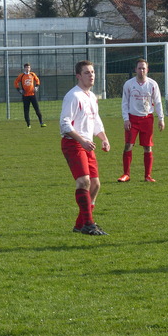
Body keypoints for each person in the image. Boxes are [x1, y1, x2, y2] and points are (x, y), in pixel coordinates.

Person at [60, 60, 111, 235]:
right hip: (73, 143)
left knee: (95, 184)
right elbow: (64, 124)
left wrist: (104, 139)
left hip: (87, 144)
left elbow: (96, 121)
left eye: (92, 72)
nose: (91, 75)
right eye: (87, 73)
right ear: (78, 76)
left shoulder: (91, 96)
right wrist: (81, 140)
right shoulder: (73, 96)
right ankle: (89, 224)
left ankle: (80, 224)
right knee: (83, 181)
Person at [117, 59, 165, 183]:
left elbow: (158, 102)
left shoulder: (153, 84)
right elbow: (124, 103)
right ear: (135, 70)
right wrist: (126, 119)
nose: (141, 70)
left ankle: (147, 176)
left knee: (147, 147)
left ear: (147, 70)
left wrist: (161, 118)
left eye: (144, 68)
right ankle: (126, 174)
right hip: (132, 119)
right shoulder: (128, 84)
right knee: (128, 145)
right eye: (139, 68)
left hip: (147, 119)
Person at [14, 63, 46, 128]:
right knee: (26, 110)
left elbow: (37, 80)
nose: (27, 69)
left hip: (32, 95)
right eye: (26, 67)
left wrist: (36, 87)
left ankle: (41, 122)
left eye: (28, 67)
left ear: (30, 68)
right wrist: (19, 90)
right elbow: (16, 82)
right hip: (25, 96)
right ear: (24, 68)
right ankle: (28, 124)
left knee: (37, 109)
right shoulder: (21, 76)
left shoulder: (32, 74)